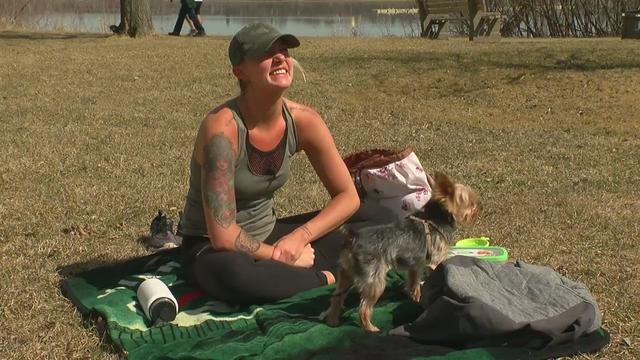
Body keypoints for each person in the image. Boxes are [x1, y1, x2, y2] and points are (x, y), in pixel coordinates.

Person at [178, 23, 360, 304]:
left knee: (368, 229)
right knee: (239, 277)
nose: (280, 58)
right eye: (266, 53)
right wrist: (282, 255)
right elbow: (224, 236)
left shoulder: (303, 120)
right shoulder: (222, 131)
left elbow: (348, 197)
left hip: (271, 233)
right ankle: (328, 279)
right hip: (211, 248)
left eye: (284, 51)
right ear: (240, 72)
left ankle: (296, 277)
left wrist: (299, 238)